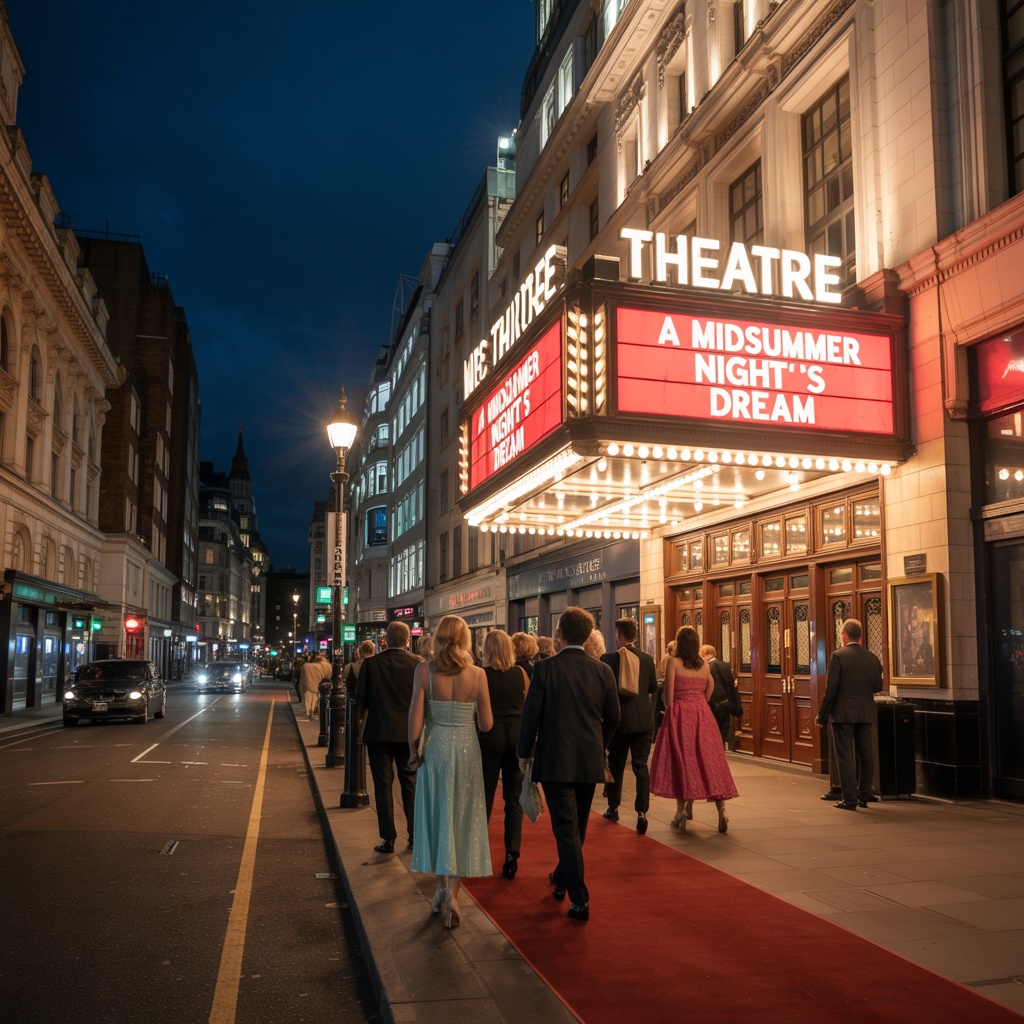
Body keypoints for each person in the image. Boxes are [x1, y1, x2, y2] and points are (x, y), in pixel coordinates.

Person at [517, 607, 620, 923]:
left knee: (566, 829)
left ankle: (579, 898)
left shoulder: (545, 669)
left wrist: (524, 752)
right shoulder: (602, 670)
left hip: (555, 757)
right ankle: (563, 878)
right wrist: (599, 743)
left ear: (559, 633)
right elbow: (614, 716)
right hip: (588, 759)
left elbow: (531, 715)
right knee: (577, 828)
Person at [408, 614, 493, 929]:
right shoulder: (478, 675)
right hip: (467, 750)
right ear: (466, 639)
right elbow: (486, 724)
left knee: (438, 815)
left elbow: (415, 720)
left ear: (440, 638)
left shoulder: (424, 671)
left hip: (437, 749)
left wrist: (412, 750)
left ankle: (441, 887)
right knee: (462, 817)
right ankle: (454, 893)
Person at [650, 626, 738, 833]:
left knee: (682, 760)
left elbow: (669, 695)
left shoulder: (674, 662)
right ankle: (722, 810)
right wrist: (700, 702)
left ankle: (681, 811)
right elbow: (710, 688)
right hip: (702, 714)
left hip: (680, 713)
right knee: (710, 760)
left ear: (679, 642)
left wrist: (671, 710)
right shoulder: (704, 664)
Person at [356, 620, 421, 854]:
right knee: (410, 785)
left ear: (385, 639)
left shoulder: (371, 664)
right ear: (407, 640)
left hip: (379, 732)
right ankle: (414, 835)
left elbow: (360, 699)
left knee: (382, 786)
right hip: (408, 734)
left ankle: (388, 838)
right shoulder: (418, 664)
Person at [815, 618, 883, 810]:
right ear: (860, 635)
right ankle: (864, 794)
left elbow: (831, 690)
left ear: (844, 635)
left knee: (845, 755)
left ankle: (849, 799)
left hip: (843, 713)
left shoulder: (838, 656)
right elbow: (878, 686)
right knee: (866, 754)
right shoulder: (872, 658)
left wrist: (822, 716)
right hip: (865, 711)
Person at [479, 629, 529, 880]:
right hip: (517, 735)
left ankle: (478, 850)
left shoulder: (481, 675)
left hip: (489, 737)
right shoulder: (520, 673)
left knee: (485, 794)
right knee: (514, 796)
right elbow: (528, 706)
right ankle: (512, 852)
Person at [601, 618, 658, 833]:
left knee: (616, 766)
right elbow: (652, 687)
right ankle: (642, 812)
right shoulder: (647, 659)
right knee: (641, 766)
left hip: (620, 722)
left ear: (618, 634)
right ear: (635, 635)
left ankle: (613, 808)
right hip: (644, 722)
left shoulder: (608, 659)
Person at [699, 644, 743, 750]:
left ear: (704, 655)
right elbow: (730, 685)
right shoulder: (725, 665)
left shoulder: (708, 667)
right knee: (723, 732)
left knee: (713, 733)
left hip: (715, 706)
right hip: (726, 703)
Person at [298, 654, 329, 720]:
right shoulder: (320, 666)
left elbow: (302, 676)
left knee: (307, 699)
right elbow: (323, 676)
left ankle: (308, 712)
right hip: (316, 685)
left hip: (307, 685)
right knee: (315, 699)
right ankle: (312, 710)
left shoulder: (305, 666)